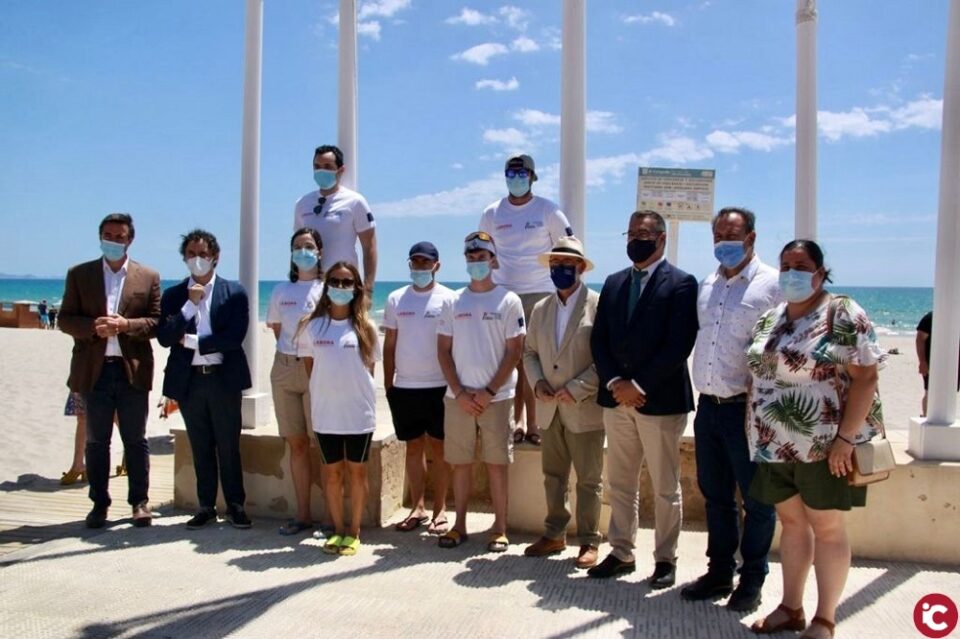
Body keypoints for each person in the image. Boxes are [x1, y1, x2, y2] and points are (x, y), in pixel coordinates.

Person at [747, 240, 884, 639]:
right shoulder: (771, 318)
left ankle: (825, 619)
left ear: (820, 273)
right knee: (791, 525)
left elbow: (867, 377)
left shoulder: (842, 313)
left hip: (825, 447)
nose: (792, 272)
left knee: (827, 529)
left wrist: (845, 439)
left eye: (801, 265)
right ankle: (791, 607)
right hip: (774, 443)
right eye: (786, 265)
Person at [588, 210, 698, 588]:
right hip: (616, 399)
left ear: (661, 239)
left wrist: (639, 385)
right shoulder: (615, 282)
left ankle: (665, 559)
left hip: (661, 402)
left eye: (644, 233)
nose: (636, 239)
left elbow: (678, 344)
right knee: (620, 481)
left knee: (666, 487)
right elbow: (598, 339)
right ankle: (621, 551)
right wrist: (617, 381)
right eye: (631, 232)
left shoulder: (682, 283)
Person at [680, 207, 780, 611]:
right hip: (708, 408)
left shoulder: (771, 285)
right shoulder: (708, 284)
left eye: (733, 235)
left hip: (747, 410)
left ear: (752, 238)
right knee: (716, 495)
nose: (724, 241)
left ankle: (752, 579)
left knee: (757, 501)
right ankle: (720, 571)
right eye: (718, 234)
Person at [58, 212, 161, 528]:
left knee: (136, 439)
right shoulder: (80, 274)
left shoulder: (148, 276)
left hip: (132, 370)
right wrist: (93, 328)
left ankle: (139, 503)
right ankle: (99, 504)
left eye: (120, 236)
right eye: (108, 235)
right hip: (94, 371)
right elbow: (64, 319)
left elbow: (157, 322)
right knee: (96, 441)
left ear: (130, 239)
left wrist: (126, 325)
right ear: (100, 237)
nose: (114, 241)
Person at [157, 229, 253, 530]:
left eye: (203, 254)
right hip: (190, 382)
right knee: (200, 445)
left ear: (215, 257)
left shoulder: (234, 292)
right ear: (185, 258)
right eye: (191, 254)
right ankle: (206, 506)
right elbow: (164, 337)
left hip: (223, 379)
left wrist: (194, 341)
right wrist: (189, 305)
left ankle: (236, 505)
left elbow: (234, 337)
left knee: (228, 445)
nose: (197, 259)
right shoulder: (173, 295)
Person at [436, 231, 525, 552]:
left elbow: (514, 352)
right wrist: (459, 392)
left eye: (482, 256)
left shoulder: (509, 300)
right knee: (460, 463)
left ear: (494, 260)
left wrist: (488, 391)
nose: (477, 262)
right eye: (471, 257)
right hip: (457, 398)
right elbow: (443, 350)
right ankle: (458, 525)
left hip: (497, 399)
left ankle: (499, 528)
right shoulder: (452, 301)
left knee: (497, 463)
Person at [479, 154, 574, 446]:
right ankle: (515, 421)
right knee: (510, 361)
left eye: (522, 175)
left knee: (534, 362)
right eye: (511, 174)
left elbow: (569, 247)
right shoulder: (492, 213)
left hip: (541, 294)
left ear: (532, 177)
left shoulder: (549, 211)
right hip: (503, 296)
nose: (516, 179)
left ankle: (535, 424)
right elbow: (482, 249)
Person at [521, 236, 604, 569]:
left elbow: (606, 359)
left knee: (588, 479)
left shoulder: (598, 305)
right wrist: (537, 381)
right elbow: (529, 353)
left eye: (567, 264)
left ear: (581, 268)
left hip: (583, 408)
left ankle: (589, 540)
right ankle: (554, 533)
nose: (560, 270)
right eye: (555, 264)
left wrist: (577, 387)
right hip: (548, 407)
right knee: (553, 475)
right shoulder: (541, 309)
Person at [303, 261, 381, 556]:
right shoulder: (313, 326)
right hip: (326, 416)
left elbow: (369, 370)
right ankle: (337, 530)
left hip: (358, 416)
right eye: (334, 281)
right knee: (331, 475)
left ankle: (355, 531)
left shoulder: (366, 328)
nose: (340, 287)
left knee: (356, 474)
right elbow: (311, 366)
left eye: (347, 282)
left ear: (356, 288)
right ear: (327, 286)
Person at [383, 242, 456, 535]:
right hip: (405, 388)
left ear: (437, 266)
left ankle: (440, 510)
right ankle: (418, 507)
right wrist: (389, 385)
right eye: (415, 262)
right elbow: (389, 345)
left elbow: (455, 346)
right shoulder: (395, 298)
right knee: (412, 449)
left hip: (439, 386)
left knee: (439, 449)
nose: (420, 268)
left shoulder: (450, 299)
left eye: (426, 263)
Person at [266, 228, 325, 536]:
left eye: (309, 246)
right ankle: (302, 515)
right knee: (298, 444)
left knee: (323, 444)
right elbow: (277, 329)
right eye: (298, 246)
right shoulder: (280, 291)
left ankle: (331, 519)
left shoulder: (328, 288)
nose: (304, 251)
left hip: (318, 369)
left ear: (320, 251)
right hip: (285, 368)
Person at [293, 144, 377, 299]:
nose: (321, 171)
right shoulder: (302, 203)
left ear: (341, 170)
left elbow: (369, 247)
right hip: (310, 287)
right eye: (317, 166)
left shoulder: (355, 201)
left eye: (327, 166)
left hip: (343, 285)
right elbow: (297, 246)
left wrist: (368, 289)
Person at [915, 310, 960, 416]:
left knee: (951, 393)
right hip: (932, 363)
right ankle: (926, 416)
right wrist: (922, 362)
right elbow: (920, 339)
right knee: (930, 392)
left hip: (954, 364)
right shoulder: (931, 317)